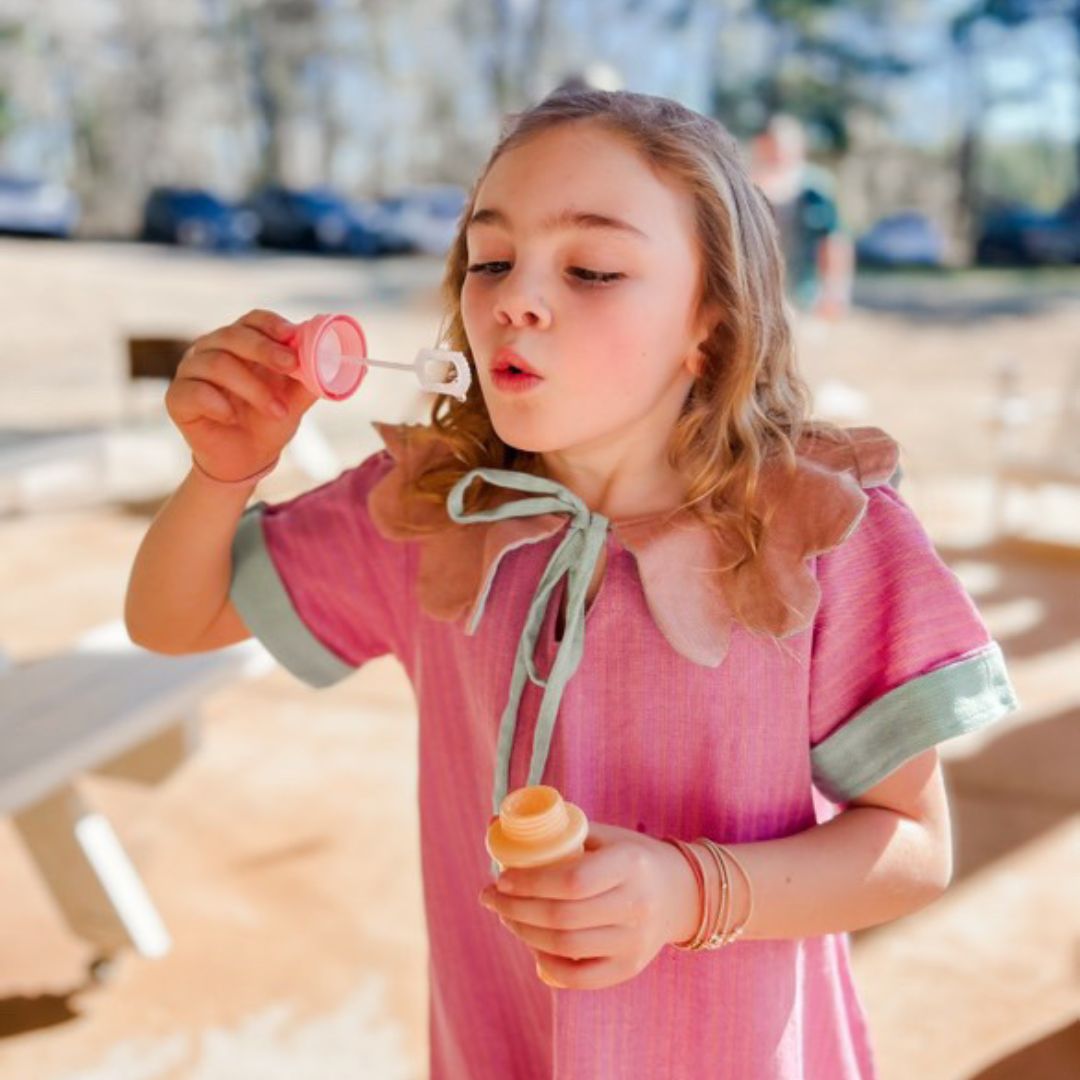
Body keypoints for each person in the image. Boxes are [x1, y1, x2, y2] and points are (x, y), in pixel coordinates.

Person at [125, 87, 1019, 1079]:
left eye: (591, 268)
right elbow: (177, 617)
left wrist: (691, 891)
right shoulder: (427, 509)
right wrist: (222, 473)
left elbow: (912, 847)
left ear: (711, 327)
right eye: (491, 259)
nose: (511, 298)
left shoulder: (822, 528)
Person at [749, 113, 855, 320]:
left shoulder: (816, 189)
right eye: (774, 145)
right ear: (762, 145)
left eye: (786, 146)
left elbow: (834, 241)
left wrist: (835, 290)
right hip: (757, 297)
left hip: (803, 294)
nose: (779, 153)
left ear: (799, 147)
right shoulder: (746, 186)